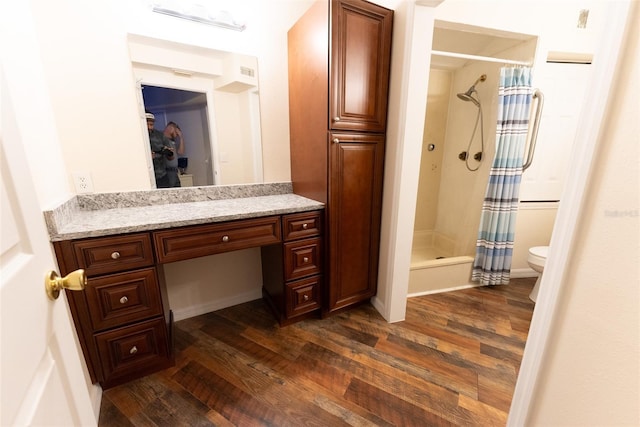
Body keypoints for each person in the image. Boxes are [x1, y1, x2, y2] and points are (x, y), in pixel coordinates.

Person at [145, 112, 174, 188]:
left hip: (161, 176)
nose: (149, 127)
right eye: (147, 124)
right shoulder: (137, 136)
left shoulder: (160, 135)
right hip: (145, 177)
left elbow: (171, 158)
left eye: (151, 125)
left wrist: (168, 152)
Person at [163, 121, 185, 187]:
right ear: (171, 128)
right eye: (176, 133)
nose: (176, 136)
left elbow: (181, 152)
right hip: (167, 171)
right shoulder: (162, 139)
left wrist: (181, 137)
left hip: (175, 171)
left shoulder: (172, 141)